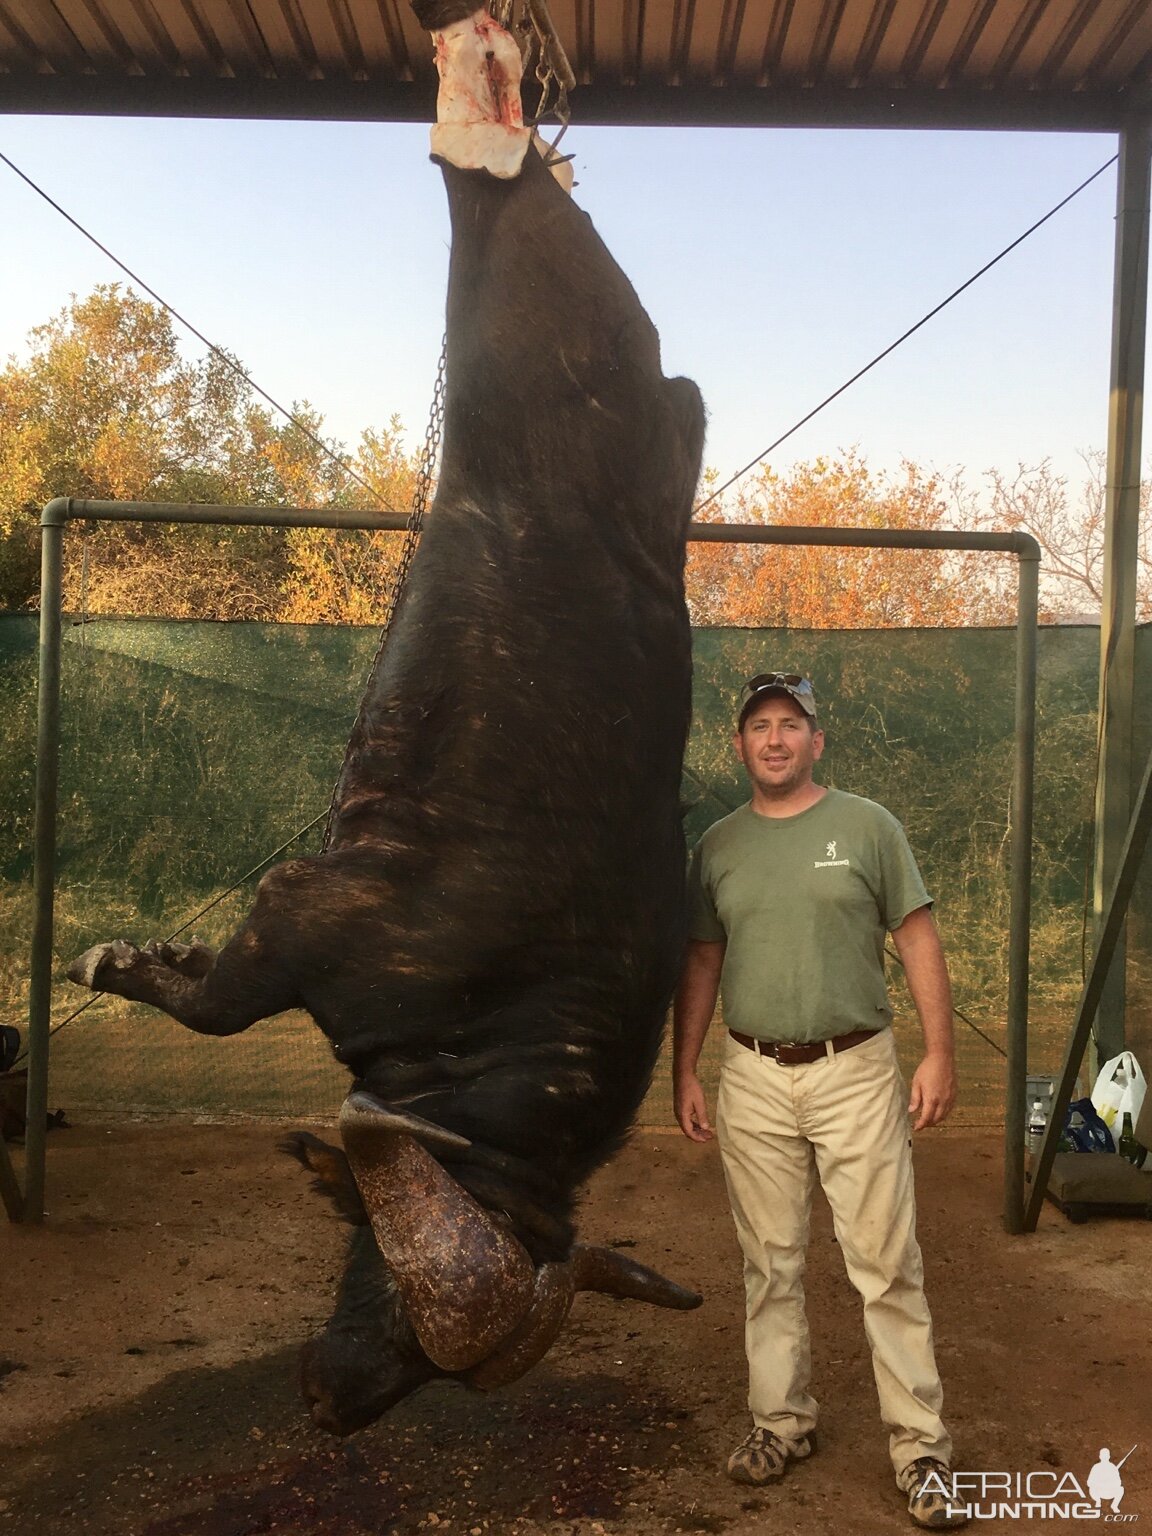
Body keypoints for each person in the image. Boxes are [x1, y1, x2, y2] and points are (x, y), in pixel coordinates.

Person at [673, 671, 967, 1532]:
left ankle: (921, 1451)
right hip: (753, 1074)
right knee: (771, 1263)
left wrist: (939, 1054)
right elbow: (700, 960)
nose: (774, 739)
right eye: (759, 726)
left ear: (817, 741)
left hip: (855, 1070)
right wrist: (685, 1068)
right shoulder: (719, 846)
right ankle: (781, 1423)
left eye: (790, 725)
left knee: (885, 1263)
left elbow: (916, 937)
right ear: (739, 745)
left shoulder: (868, 827)